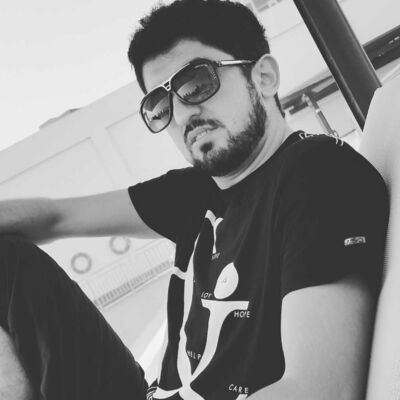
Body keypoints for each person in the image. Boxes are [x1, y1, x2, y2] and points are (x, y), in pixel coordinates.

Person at [0, 0, 388, 399]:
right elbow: (56, 218)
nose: (182, 114)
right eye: (160, 106)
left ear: (264, 77)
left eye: (196, 84)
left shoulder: (318, 174)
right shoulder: (196, 192)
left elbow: (320, 390)